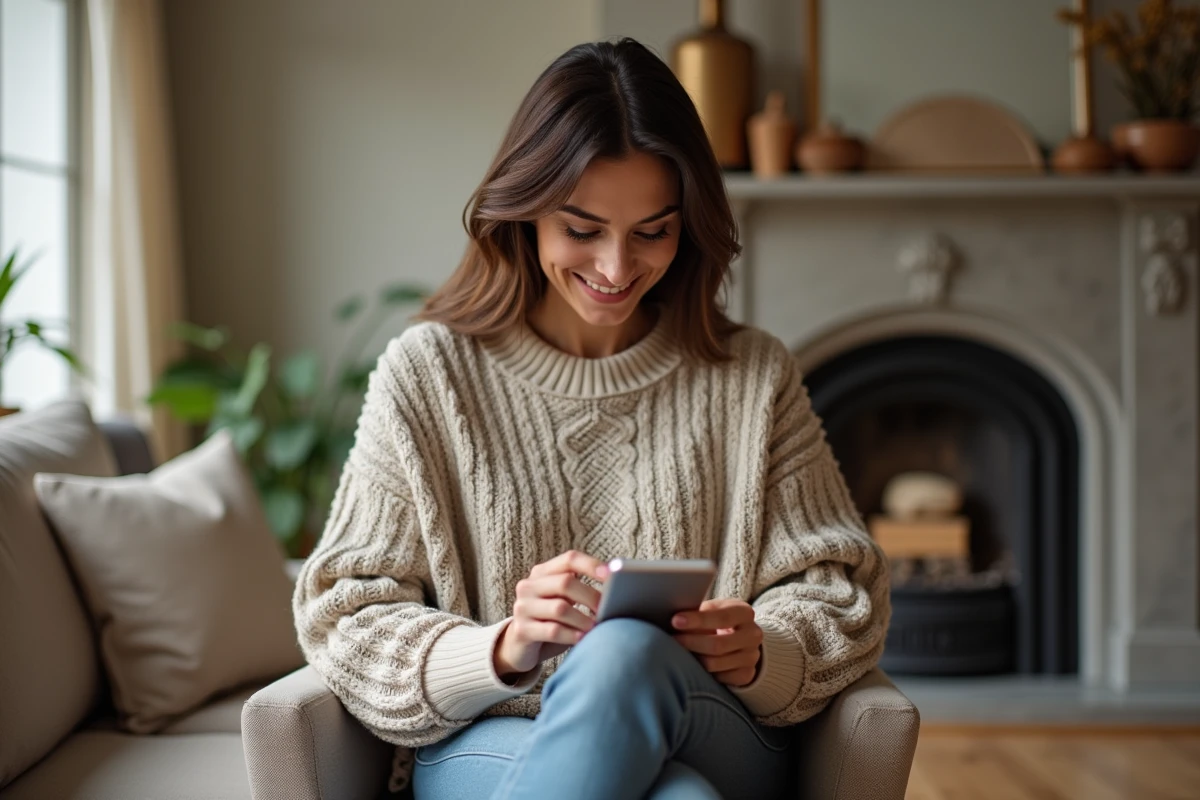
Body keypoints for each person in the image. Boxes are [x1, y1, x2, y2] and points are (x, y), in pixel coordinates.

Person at [293, 38, 889, 800]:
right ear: (526, 211)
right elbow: (346, 613)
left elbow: (838, 588)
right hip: (495, 736)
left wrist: (763, 651)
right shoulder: (429, 374)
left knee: (623, 655)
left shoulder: (752, 377)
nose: (616, 269)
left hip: (708, 721)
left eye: (653, 231)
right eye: (581, 229)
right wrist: (503, 648)